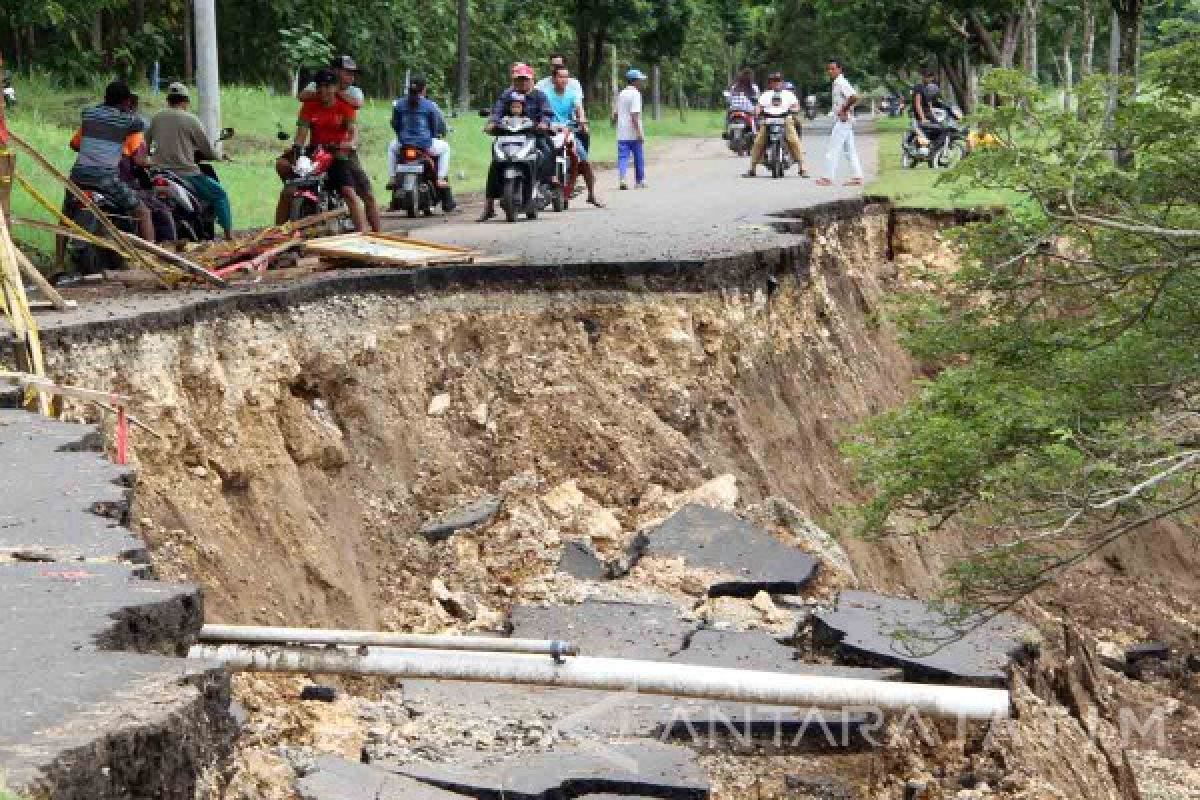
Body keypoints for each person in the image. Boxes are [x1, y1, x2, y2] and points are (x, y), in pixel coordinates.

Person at [275, 69, 379, 232]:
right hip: (315, 151)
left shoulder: (346, 106)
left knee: (350, 192)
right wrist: (296, 149)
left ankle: (364, 234)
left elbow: (352, 132)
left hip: (338, 153)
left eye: (328, 86)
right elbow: (301, 135)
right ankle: (277, 234)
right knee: (287, 187)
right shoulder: (309, 105)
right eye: (320, 86)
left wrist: (349, 144)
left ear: (336, 88)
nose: (323, 90)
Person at [68, 80, 154, 242]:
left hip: (78, 175)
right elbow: (145, 124)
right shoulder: (127, 120)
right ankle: (151, 256)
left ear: (105, 97)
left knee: (66, 216)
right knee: (143, 212)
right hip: (105, 178)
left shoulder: (88, 113)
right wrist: (129, 110)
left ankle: (59, 262)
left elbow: (75, 145)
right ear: (127, 101)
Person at [147, 82, 233, 239]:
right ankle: (228, 236)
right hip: (186, 174)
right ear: (185, 101)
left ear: (169, 100)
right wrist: (220, 156)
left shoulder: (156, 118)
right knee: (220, 194)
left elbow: (145, 146)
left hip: (158, 173)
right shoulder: (190, 119)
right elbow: (207, 150)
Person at [477, 63, 554, 222]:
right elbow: (497, 111)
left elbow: (547, 113)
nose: (522, 83)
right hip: (508, 137)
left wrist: (544, 123)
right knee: (495, 163)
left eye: (525, 79)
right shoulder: (507, 95)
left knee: (547, 149)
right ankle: (489, 206)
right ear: (514, 81)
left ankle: (545, 183)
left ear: (532, 79)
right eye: (518, 80)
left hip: (533, 135)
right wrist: (492, 123)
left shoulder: (540, 96)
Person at [387, 75, 455, 211]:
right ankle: (441, 178)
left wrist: (403, 135)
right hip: (424, 145)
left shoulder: (399, 104)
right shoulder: (430, 105)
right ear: (424, 90)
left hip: (404, 144)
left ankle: (393, 177)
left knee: (391, 147)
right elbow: (434, 127)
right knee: (446, 148)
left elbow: (395, 124)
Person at [544, 65, 603, 207]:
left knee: (584, 159)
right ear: (553, 78)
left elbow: (579, 108)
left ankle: (591, 194)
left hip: (569, 132)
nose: (564, 80)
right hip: (549, 132)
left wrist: (582, 120)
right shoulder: (545, 94)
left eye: (566, 77)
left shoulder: (572, 94)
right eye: (560, 76)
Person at [744, 71, 806, 178]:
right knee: (758, 142)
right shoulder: (765, 95)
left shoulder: (789, 94)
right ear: (770, 83)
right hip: (768, 120)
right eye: (773, 81)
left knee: (794, 141)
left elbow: (796, 106)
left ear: (782, 82)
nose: (776, 83)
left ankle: (802, 168)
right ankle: (752, 169)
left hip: (785, 120)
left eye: (778, 81)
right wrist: (757, 111)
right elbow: (759, 106)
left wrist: (794, 109)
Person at [816, 59, 864, 187]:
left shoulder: (841, 82)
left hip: (843, 120)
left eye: (833, 69)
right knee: (850, 150)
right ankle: (857, 176)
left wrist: (844, 109)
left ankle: (827, 177)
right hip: (844, 120)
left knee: (833, 148)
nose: (830, 71)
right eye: (829, 69)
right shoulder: (837, 82)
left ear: (839, 69)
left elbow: (854, 96)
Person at [615, 68, 647, 190]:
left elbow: (615, 113)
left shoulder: (621, 93)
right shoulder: (636, 94)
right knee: (638, 156)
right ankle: (640, 181)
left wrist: (615, 123)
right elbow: (634, 115)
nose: (642, 83)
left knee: (623, 157)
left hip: (622, 132)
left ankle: (622, 179)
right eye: (640, 80)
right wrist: (639, 133)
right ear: (635, 81)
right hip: (633, 132)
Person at [726, 67, 759, 133]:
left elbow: (729, 98)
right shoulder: (753, 87)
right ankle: (755, 132)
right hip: (747, 109)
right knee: (756, 116)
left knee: (727, 116)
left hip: (734, 108)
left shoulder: (734, 86)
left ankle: (726, 130)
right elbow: (757, 98)